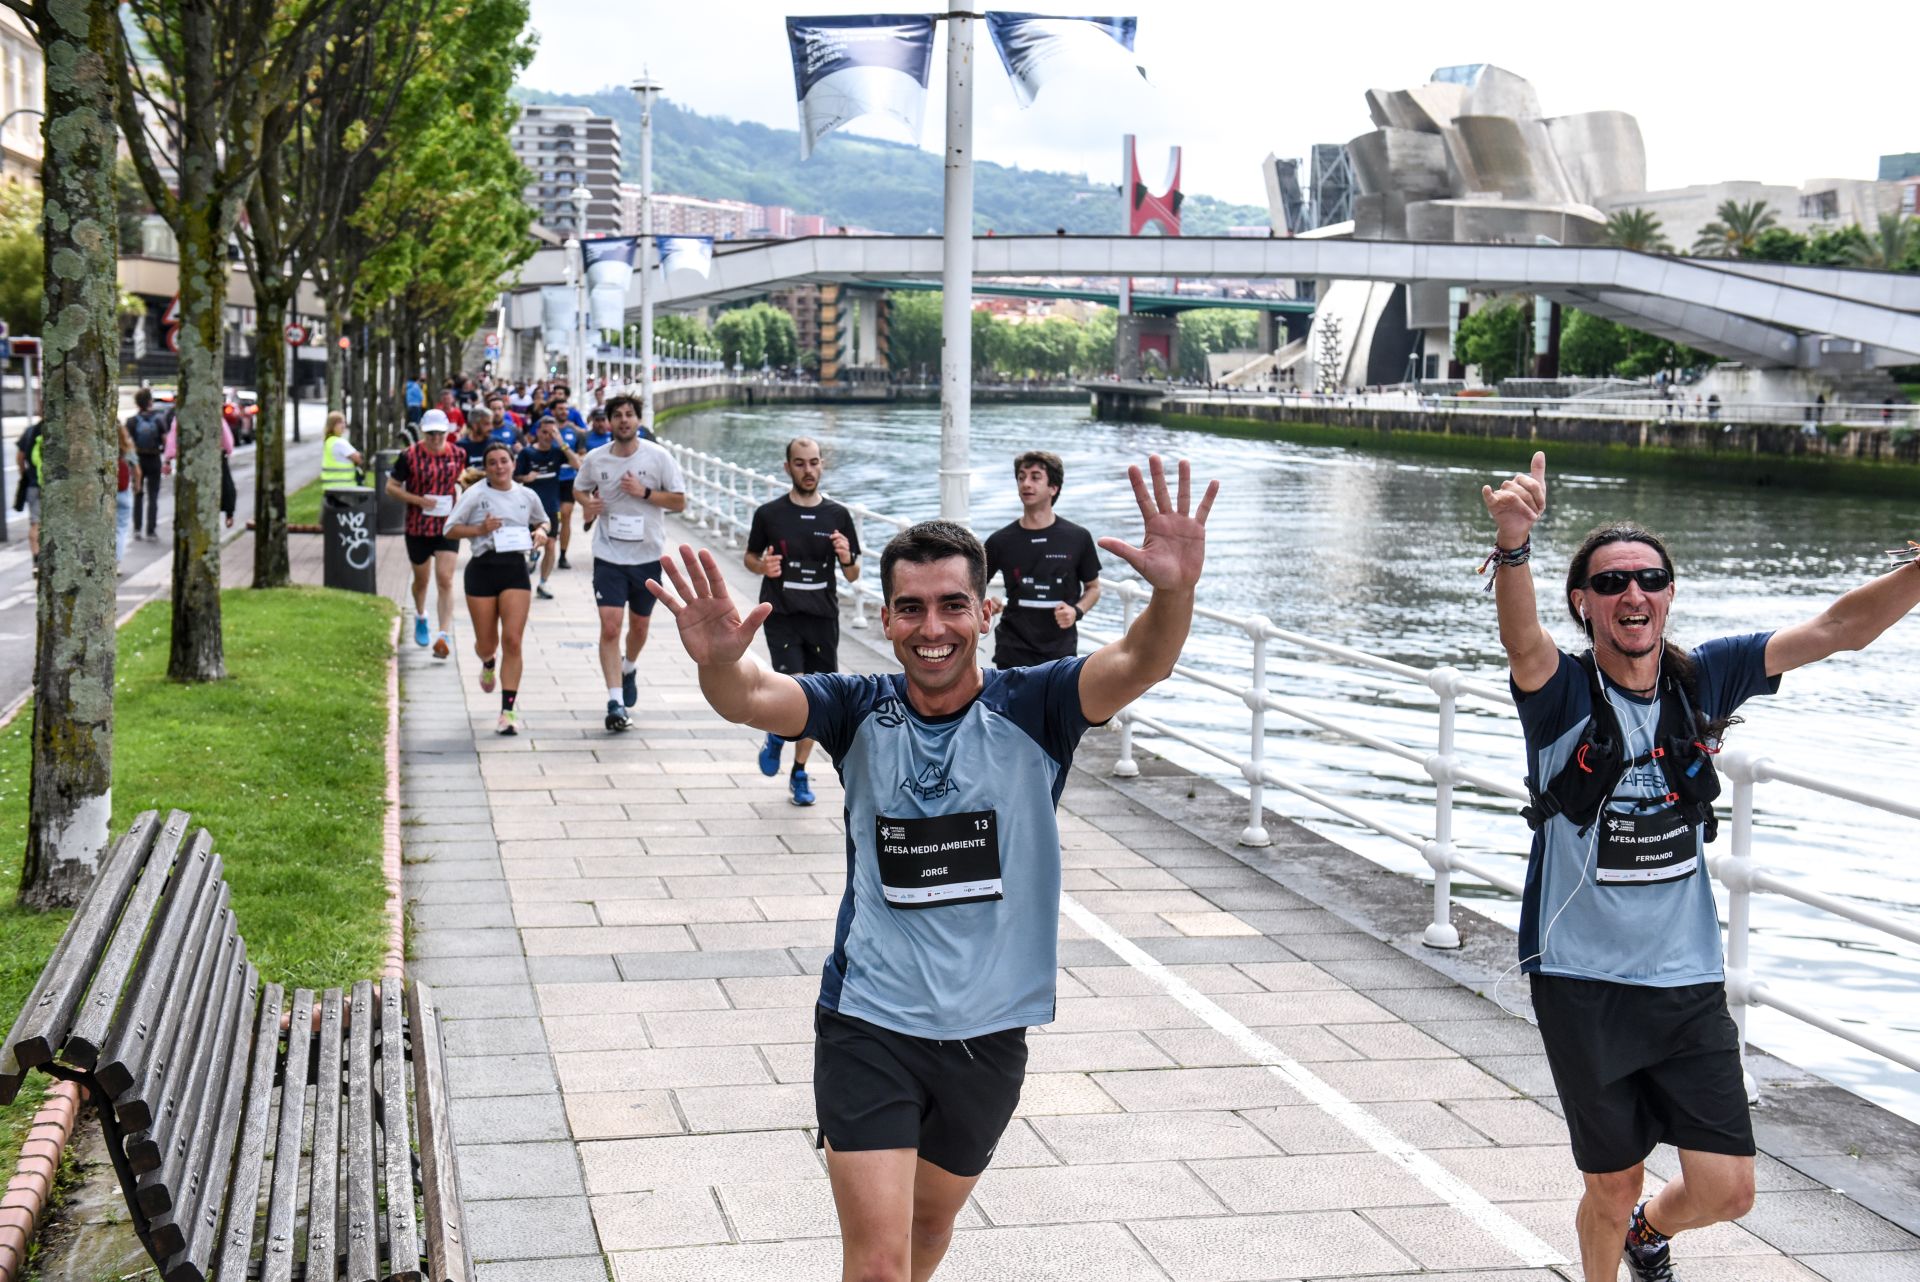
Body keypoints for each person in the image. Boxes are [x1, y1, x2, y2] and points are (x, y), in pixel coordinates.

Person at [647, 454, 1215, 1282]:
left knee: (924, 1233)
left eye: (953, 605)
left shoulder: (1037, 705)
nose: (932, 627)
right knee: (877, 1265)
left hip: (989, 1032)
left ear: (986, 611)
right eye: (911, 609)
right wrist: (718, 663)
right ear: (885, 616)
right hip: (868, 1021)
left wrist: (1174, 593)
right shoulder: (856, 708)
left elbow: (1141, 662)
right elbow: (752, 699)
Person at [1481, 451, 1920, 1282]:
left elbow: (1837, 630)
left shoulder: (1704, 677)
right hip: (1583, 979)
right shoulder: (1560, 695)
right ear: (1584, 604)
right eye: (1610, 584)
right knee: (1609, 1185)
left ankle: (1652, 1232)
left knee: (1729, 1188)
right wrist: (1514, 546)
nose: (1632, 594)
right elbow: (1520, 638)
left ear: (1670, 594)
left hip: (1686, 978)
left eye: (1649, 578)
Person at [744, 436, 861, 805]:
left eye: (814, 462)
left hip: (823, 615)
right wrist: (762, 565)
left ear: (822, 464)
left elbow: (855, 574)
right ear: (787, 467)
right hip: (782, 613)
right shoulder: (769, 514)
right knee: (796, 686)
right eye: (800, 463)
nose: (808, 470)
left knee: (816, 695)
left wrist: (845, 556)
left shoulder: (838, 515)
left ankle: (797, 769)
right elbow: (749, 557)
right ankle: (780, 734)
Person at [572, 392, 685, 732]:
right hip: (608, 554)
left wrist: (645, 493)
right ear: (609, 422)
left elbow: (679, 502)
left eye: (629, 414)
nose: (623, 420)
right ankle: (615, 702)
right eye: (617, 415)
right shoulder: (596, 459)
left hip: (647, 556)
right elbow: (580, 488)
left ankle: (629, 666)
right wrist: (587, 504)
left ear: (638, 421)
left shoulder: (659, 458)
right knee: (610, 626)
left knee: (639, 627)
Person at [445, 441, 550, 735]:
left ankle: (508, 711)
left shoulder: (527, 495)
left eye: (504, 461)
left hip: (515, 569)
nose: (499, 467)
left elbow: (543, 520)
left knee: (513, 641)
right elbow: (449, 529)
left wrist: (541, 532)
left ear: (513, 463)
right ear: (486, 468)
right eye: (493, 462)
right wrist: (480, 530)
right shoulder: (475, 495)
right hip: (482, 570)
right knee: (487, 643)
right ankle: (488, 662)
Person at [982, 450, 1102, 670]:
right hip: (1012, 650)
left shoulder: (1077, 537)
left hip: (1060, 652)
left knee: (1054, 705)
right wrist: (987, 598)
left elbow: (1093, 588)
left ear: (1053, 488)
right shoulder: (1000, 540)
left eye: (1035, 477)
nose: (1026, 483)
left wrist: (1076, 611)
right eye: (1021, 477)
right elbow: (972, 583)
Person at [387, 408, 469, 657]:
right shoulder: (408, 456)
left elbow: (462, 477)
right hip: (418, 526)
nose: (436, 438)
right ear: (423, 432)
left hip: (447, 526)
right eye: (431, 433)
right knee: (421, 582)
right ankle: (421, 615)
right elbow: (391, 487)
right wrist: (417, 500)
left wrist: (465, 483)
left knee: (445, 579)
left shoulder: (458, 453)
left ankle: (443, 635)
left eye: (440, 433)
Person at [513, 415, 580, 600]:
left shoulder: (558, 452)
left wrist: (562, 443)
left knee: (550, 544)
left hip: (551, 507)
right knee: (527, 543)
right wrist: (526, 478)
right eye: (544, 432)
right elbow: (515, 477)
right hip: (528, 508)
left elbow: (577, 465)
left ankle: (543, 582)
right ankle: (530, 560)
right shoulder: (527, 453)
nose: (548, 436)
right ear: (537, 432)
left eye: (552, 432)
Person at [162, 402, 238, 528]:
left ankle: (181, 518)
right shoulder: (214, 415)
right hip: (213, 457)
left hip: (189, 460)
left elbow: (172, 439)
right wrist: (227, 450)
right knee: (225, 484)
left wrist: (168, 459)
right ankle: (228, 515)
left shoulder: (182, 416)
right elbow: (227, 441)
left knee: (185, 492)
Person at [126, 388, 170, 540]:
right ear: (150, 401)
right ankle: (151, 530)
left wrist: (130, 463)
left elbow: (128, 444)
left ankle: (137, 529)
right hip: (154, 459)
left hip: (138, 461)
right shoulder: (158, 420)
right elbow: (166, 441)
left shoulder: (131, 421)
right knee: (153, 496)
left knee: (138, 494)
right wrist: (166, 459)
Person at [319, 411, 364, 491]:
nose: (343, 425)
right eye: (339, 423)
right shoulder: (339, 442)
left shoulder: (329, 441)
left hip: (330, 487)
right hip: (344, 488)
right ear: (332, 425)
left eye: (344, 422)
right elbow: (358, 459)